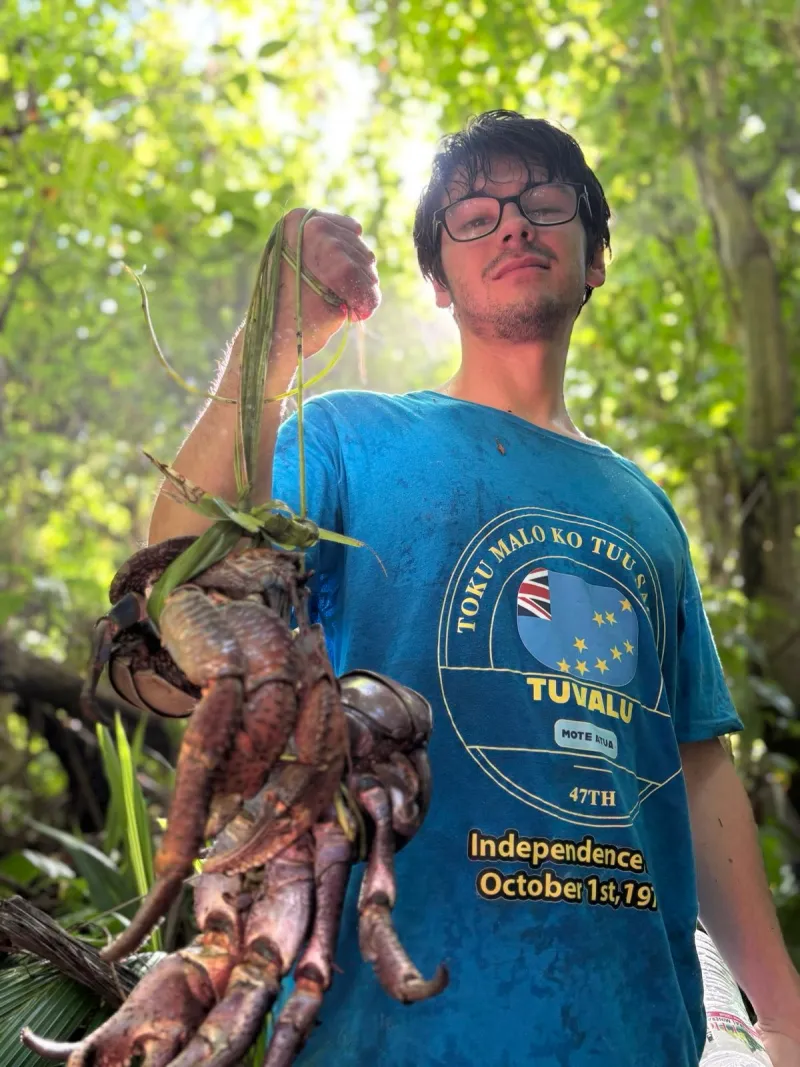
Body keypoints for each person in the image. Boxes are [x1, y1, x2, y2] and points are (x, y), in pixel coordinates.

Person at [149, 111, 800, 1067]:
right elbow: (179, 577)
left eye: (543, 202)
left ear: (596, 258)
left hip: (635, 1032)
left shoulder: (643, 506)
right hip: (386, 1031)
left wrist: (783, 1013)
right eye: (474, 213)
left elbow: (695, 765)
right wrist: (269, 343)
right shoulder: (348, 440)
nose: (512, 222)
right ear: (437, 282)